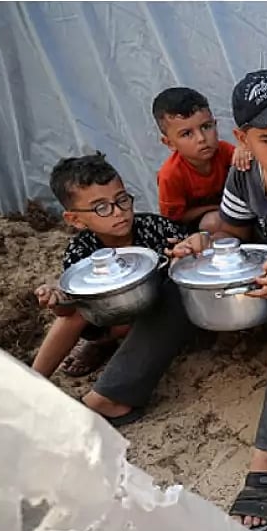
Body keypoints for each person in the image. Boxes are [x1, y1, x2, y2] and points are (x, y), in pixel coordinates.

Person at [86, 69, 267, 531]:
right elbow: (238, 232)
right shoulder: (244, 174)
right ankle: (114, 397)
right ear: (243, 139)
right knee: (180, 280)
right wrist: (202, 241)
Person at [30, 153, 183, 381]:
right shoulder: (82, 251)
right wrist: (56, 301)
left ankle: (111, 349)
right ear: (76, 220)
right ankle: (33, 380)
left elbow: (192, 252)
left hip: (162, 310)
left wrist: (187, 248)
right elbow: (70, 310)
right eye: (101, 208)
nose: (118, 211)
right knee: (76, 317)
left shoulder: (155, 227)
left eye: (122, 199)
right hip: (114, 320)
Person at [152, 87, 251, 233]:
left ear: (215, 124)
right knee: (215, 221)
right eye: (187, 134)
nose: (201, 138)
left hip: (232, 212)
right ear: (169, 143)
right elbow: (173, 219)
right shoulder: (170, 175)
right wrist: (217, 208)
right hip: (196, 229)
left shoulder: (225, 151)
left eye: (206, 127)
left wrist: (245, 148)